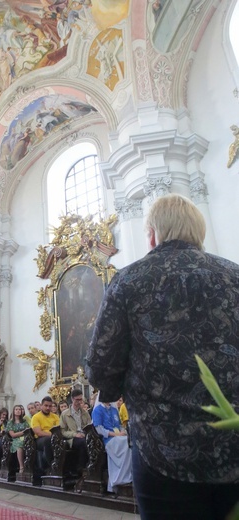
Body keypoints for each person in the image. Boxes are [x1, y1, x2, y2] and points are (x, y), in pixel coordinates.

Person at [86, 194, 239, 520]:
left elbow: (101, 367)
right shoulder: (235, 276)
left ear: (153, 233)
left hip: (163, 451)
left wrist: (110, 392)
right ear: (200, 233)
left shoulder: (128, 280)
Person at [91, 400, 132, 493]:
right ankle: (121, 479)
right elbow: (99, 429)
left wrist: (124, 432)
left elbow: (119, 425)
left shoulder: (114, 409)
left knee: (130, 440)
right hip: (108, 439)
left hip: (118, 437)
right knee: (126, 443)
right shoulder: (97, 410)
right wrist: (115, 434)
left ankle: (127, 476)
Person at [59, 388, 91, 474]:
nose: (79, 402)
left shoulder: (85, 412)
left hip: (84, 435)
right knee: (82, 442)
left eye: (81, 399)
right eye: (77, 400)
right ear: (72, 399)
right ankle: (81, 467)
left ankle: (93, 466)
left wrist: (86, 433)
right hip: (72, 438)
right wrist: (74, 434)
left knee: (93, 442)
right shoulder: (65, 414)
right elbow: (62, 431)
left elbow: (89, 425)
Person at [31, 396, 59, 470]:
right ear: (41, 406)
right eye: (46, 405)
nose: (48, 408)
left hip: (54, 437)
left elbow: (58, 429)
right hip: (40, 439)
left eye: (50, 406)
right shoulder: (36, 417)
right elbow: (38, 432)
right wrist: (51, 434)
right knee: (48, 440)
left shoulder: (55, 417)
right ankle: (50, 466)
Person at [6, 405, 29, 473]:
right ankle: (21, 466)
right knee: (20, 445)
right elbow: (13, 435)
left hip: (25, 437)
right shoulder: (10, 422)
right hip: (15, 439)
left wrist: (24, 433)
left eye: (19, 409)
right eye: (16, 409)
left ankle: (29, 465)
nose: (18, 411)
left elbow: (28, 430)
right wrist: (22, 432)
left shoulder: (24, 421)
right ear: (13, 411)